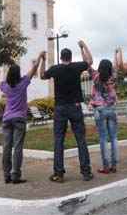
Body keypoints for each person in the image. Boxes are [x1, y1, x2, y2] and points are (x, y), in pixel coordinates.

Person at [40, 40, 94, 183]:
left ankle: (58, 174)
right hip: (75, 106)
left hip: (60, 108)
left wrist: (42, 60)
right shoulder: (76, 67)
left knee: (59, 140)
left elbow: (41, 75)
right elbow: (90, 61)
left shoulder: (55, 69)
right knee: (81, 139)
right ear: (70, 57)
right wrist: (83, 46)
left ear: (61, 58)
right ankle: (86, 172)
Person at [0, 52, 44, 183]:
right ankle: (15, 175)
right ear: (18, 74)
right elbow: (34, 68)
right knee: (17, 147)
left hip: (7, 119)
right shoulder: (23, 82)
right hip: (19, 119)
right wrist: (40, 56)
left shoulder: (5, 86)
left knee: (6, 148)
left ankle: (6, 175)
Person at [91, 58, 119, 173]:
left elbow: (87, 63)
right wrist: (116, 54)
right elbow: (117, 65)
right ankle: (114, 165)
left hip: (100, 110)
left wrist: (82, 48)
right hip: (111, 109)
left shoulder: (95, 76)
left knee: (103, 138)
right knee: (113, 138)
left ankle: (105, 166)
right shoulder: (113, 78)